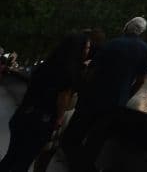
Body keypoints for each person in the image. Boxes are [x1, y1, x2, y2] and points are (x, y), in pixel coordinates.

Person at [61, 17, 147, 172]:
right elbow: (140, 80)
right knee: (95, 142)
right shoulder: (145, 50)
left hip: (91, 99)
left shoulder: (112, 44)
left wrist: (82, 89)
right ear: (142, 31)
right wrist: (125, 97)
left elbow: (92, 71)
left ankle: (77, 165)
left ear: (126, 28)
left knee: (71, 138)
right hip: (115, 104)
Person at [0, 32, 90, 172]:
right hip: (41, 122)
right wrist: (60, 118)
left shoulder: (45, 66)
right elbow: (63, 98)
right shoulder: (69, 73)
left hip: (23, 115)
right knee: (23, 161)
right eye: (86, 48)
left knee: (12, 157)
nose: (88, 51)